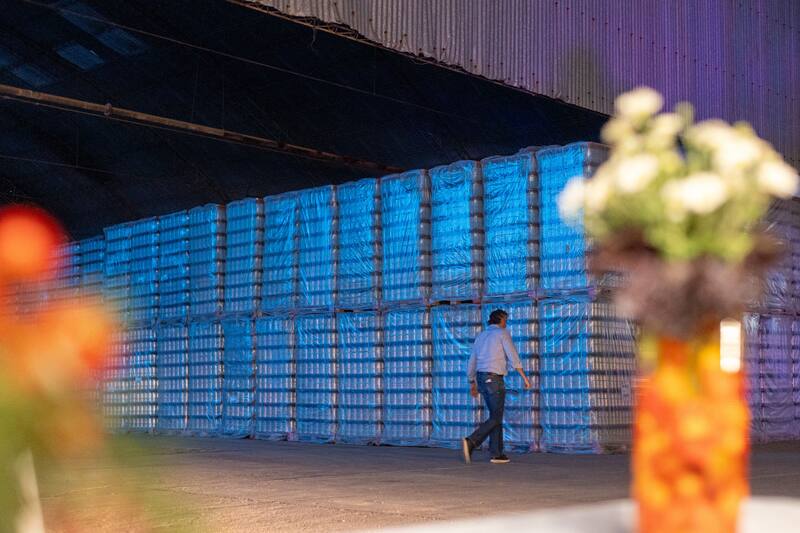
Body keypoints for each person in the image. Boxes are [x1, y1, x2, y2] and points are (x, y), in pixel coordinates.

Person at [462, 308, 532, 464]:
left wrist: (472, 381)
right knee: (496, 416)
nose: (506, 323)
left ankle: (497, 453)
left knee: (496, 414)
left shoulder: (481, 336)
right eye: (505, 320)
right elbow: (513, 356)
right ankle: (472, 441)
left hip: (481, 378)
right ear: (500, 319)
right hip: (494, 379)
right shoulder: (502, 333)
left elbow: (472, 360)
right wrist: (525, 378)